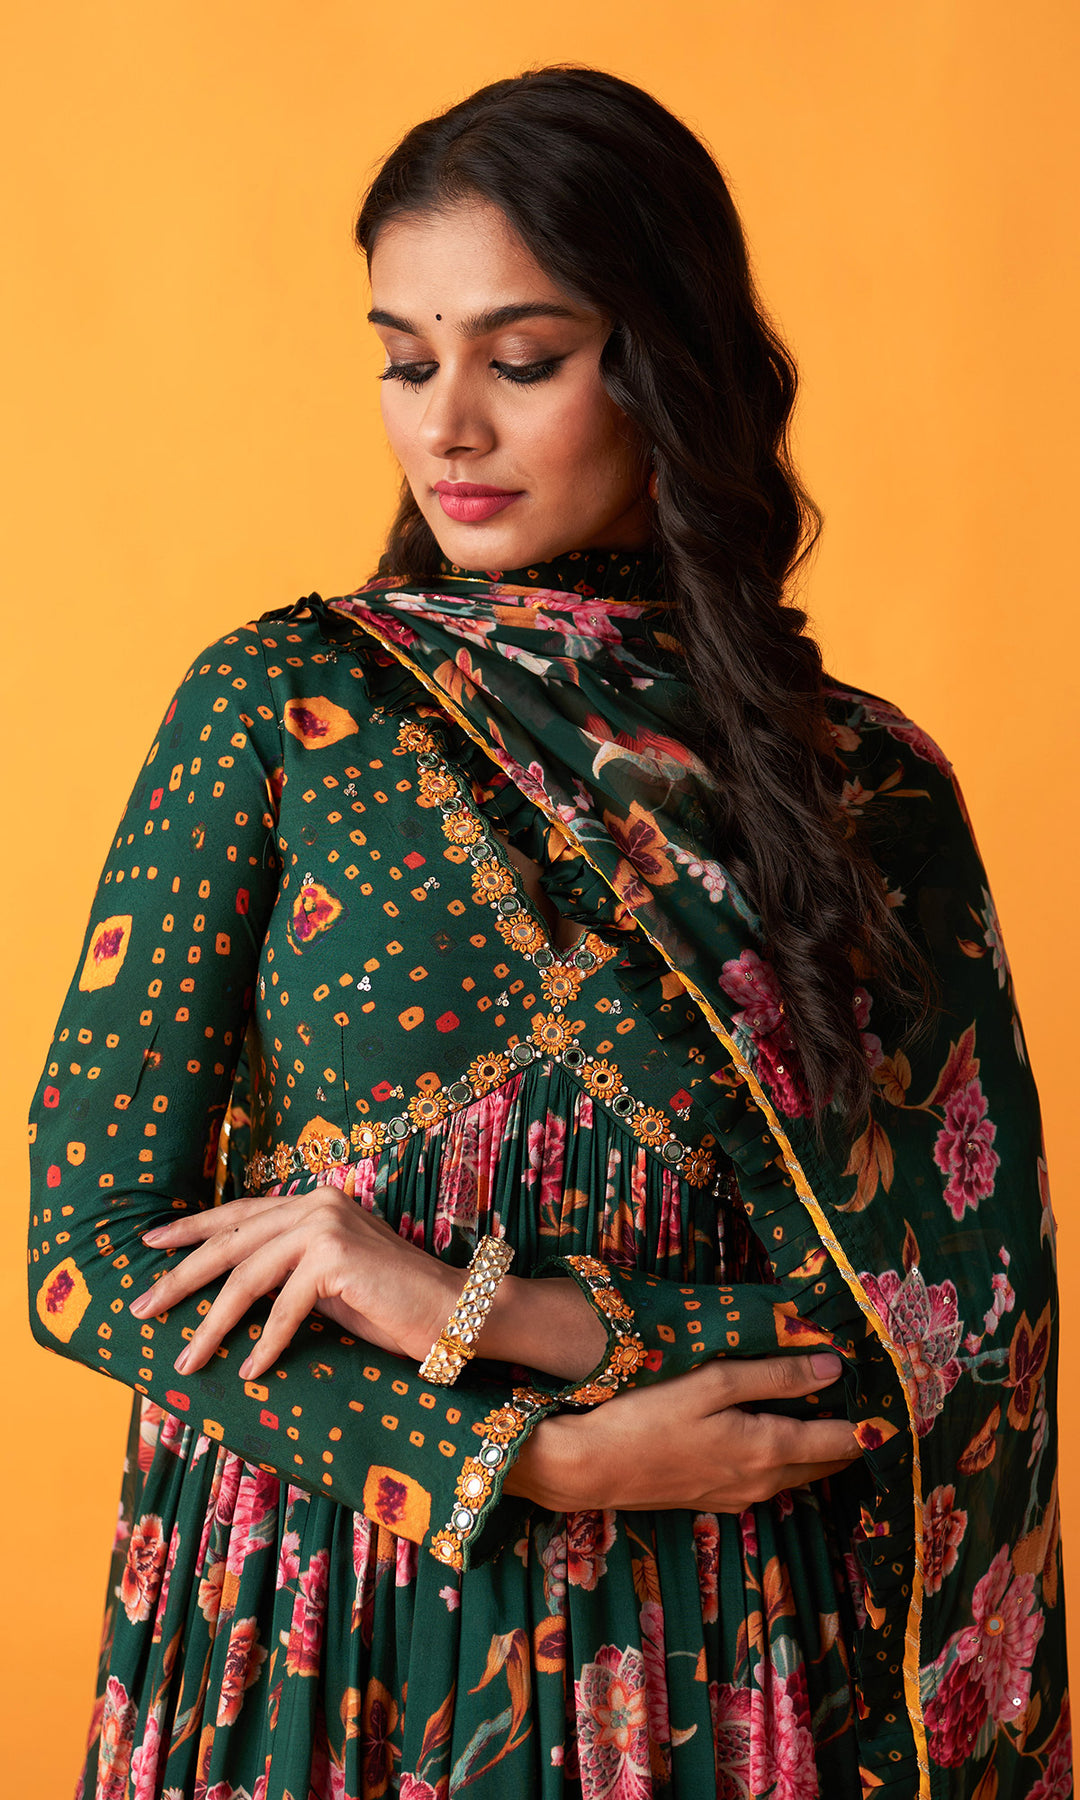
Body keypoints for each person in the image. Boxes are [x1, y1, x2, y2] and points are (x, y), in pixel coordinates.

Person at [27, 63, 1066, 1800]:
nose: (448, 426)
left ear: (667, 366)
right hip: (339, 1601)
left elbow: (934, 1333)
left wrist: (479, 1308)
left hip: (720, 1616)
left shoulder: (866, 786)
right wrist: (526, 1461)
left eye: (520, 361)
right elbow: (85, 1251)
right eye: (404, 359)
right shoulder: (285, 712)